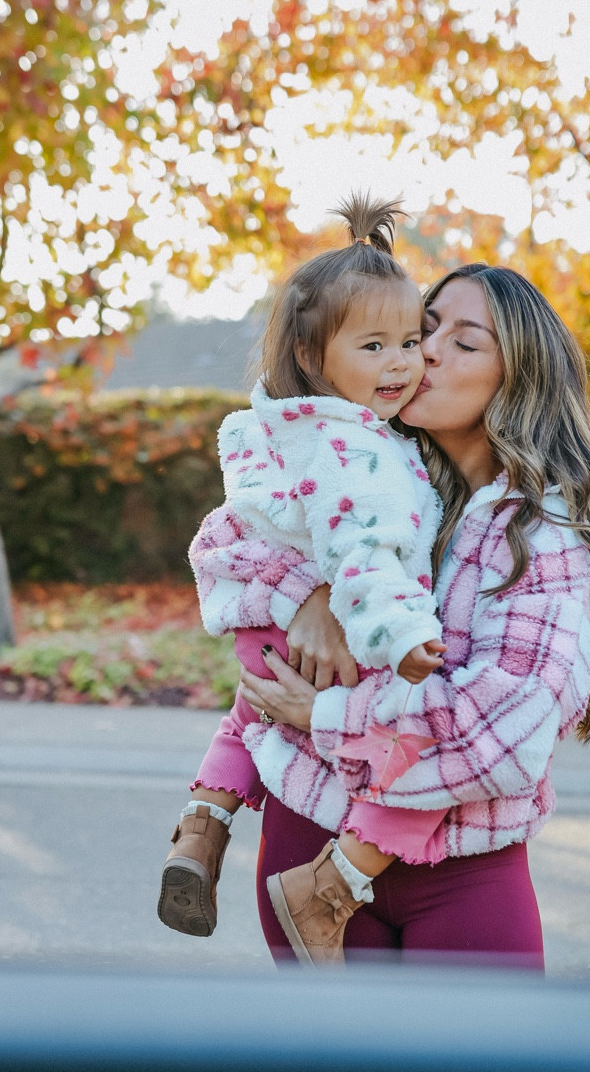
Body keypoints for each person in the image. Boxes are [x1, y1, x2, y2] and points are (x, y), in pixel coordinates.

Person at [201, 262, 590, 965]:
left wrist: (321, 716)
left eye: (465, 343)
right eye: (423, 329)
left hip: (461, 872)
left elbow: (497, 738)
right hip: (307, 829)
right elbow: (228, 543)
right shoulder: (367, 468)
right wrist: (308, 597)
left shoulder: (540, 539)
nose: (424, 352)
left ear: (519, 380)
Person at [159, 194, 451, 957]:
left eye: (411, 342)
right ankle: (330, 888)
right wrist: (404, 634)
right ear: (315, 359)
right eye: (376, 347)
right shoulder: (355, 447)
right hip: (334, 627)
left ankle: (201, 826)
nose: (402, 364)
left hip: (266, 625)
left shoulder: (274, 425)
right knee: (413, 752)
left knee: (251, 714)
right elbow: (361, 552)